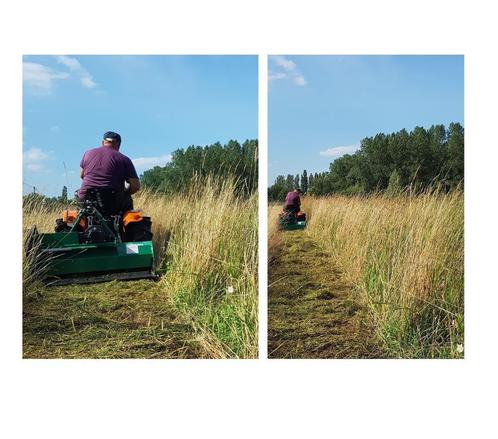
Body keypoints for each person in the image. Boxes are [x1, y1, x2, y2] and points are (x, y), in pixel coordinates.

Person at [78, 131, 140, 213]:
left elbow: (82, 175)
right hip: (112, 200)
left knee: (78, 199)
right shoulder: (124, 159)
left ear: (103, 142)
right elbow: (135, 186)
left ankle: (80, 222)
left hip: (87, 197)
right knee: (128, 202)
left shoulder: (87, 153)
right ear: (118, 145)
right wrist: (126, 192)